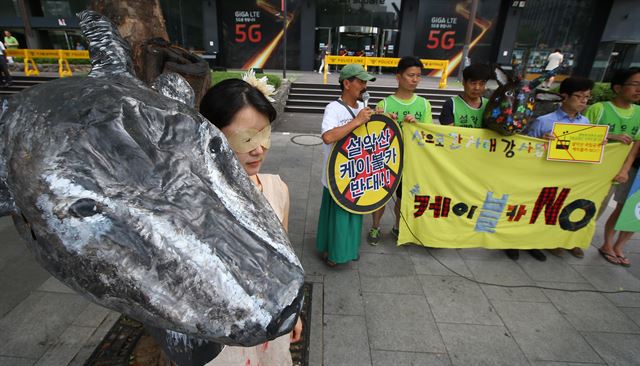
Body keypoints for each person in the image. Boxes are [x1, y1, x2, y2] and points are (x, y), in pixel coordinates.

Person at [148, 78, 303, 366]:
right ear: (212, 136)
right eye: (246, 139)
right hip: (221, 339)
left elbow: (283, 261)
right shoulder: (191, 203)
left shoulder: (276, 188)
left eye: (264, 134)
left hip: (270, 328)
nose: (258, 149)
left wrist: (292, 311)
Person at [526, 76, 595, 260]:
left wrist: (598, 144)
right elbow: (526, 150)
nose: (583, 101)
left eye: (587, 97)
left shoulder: (586, 124)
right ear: (565, 96)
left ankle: (562, 240)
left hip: (572, 178)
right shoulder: (544, 121)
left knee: (565, 209)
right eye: (579, 96)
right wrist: (541, 142)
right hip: (545, 176)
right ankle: (537, 242)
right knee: (542, 210)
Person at [367, 56, 431, 245]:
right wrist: (382, 119)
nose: (415, 80)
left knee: (403, 198)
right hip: (386, 161)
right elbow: (373, 134)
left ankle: (397, 227)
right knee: (380, 197)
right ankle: (375, 227)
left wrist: (417, 125)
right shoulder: (384, 104)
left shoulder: (424, 104)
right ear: (398, 77)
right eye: (411, 75)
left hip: (411, 161)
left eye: (418, 76)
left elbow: (429, 135)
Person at [316, 64, 375, 266]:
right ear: (347, 83)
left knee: (354, 216)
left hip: (357, 175)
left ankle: (349, 249)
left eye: (366, 82)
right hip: (337, 175)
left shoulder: (362, 108)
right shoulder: (332, 108)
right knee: (338, 217)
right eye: (360, 81)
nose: (365, 86)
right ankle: (334, 253)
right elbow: (328, 136)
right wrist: (357, 121)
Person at [585, 68, 640, 267]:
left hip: (616, 173)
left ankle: (581, 239)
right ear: (618, 87)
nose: (639, 90)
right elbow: (581, 133)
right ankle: (600, 243)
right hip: (590, 170)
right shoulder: (599, 109)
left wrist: (625, 169)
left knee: (602, 207)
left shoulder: (639, 113)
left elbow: (635, 145)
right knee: (585, 201)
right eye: (635, 84)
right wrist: (609, 136)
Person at [439, 63, 491, 128]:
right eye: (473, 83)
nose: (477, 88)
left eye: (481, 84)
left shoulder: (490, 105)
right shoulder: (451, 105)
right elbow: (447, 133)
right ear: (464, 82)